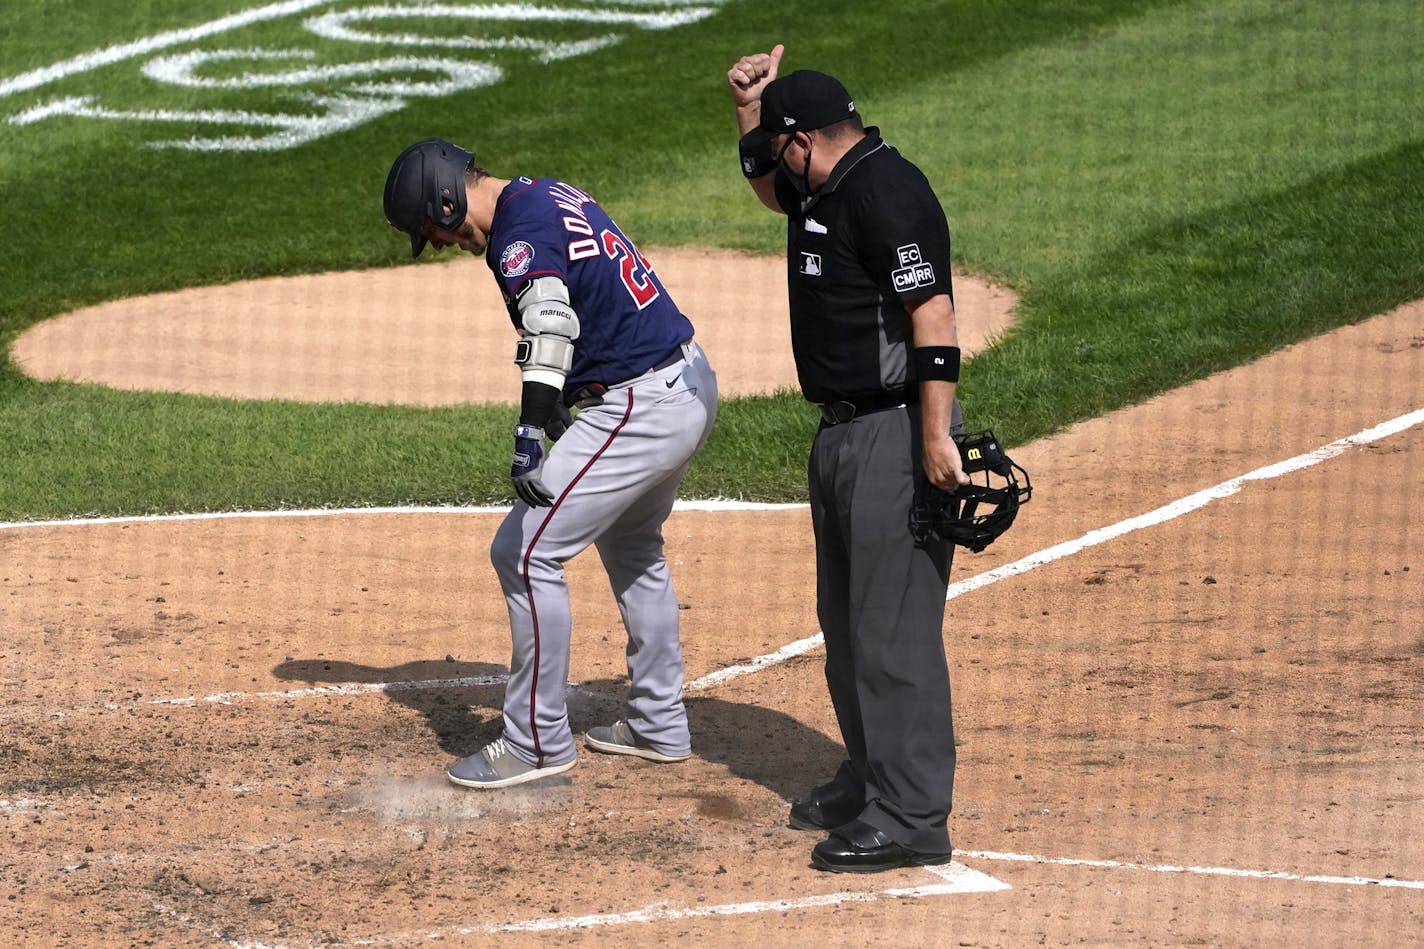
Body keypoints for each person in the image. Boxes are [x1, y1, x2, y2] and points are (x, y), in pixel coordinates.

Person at [382, 138, 718, 789]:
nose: (445, 242)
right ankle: (658, 722)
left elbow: (552, 321)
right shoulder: (545, 194)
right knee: (635, 548)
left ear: (447, 201)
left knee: (524, 551)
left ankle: (536, 741)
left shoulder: (516, 231)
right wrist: (569, 393)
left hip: (639, 402)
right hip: (684, 383)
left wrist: (533, 425)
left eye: (434, 230)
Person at [725, 46, 970, 872]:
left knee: (892, 633)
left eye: (777, 143)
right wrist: (749, 108)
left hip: (895, 432)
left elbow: (933, 318)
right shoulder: (822, 183)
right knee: (846, 624)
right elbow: (770, 189)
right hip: (838, 434)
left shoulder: (888, 191)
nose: (775, 167)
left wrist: (936, 438)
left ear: (804, 140)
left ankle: (911, 816)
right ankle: (872, 774)